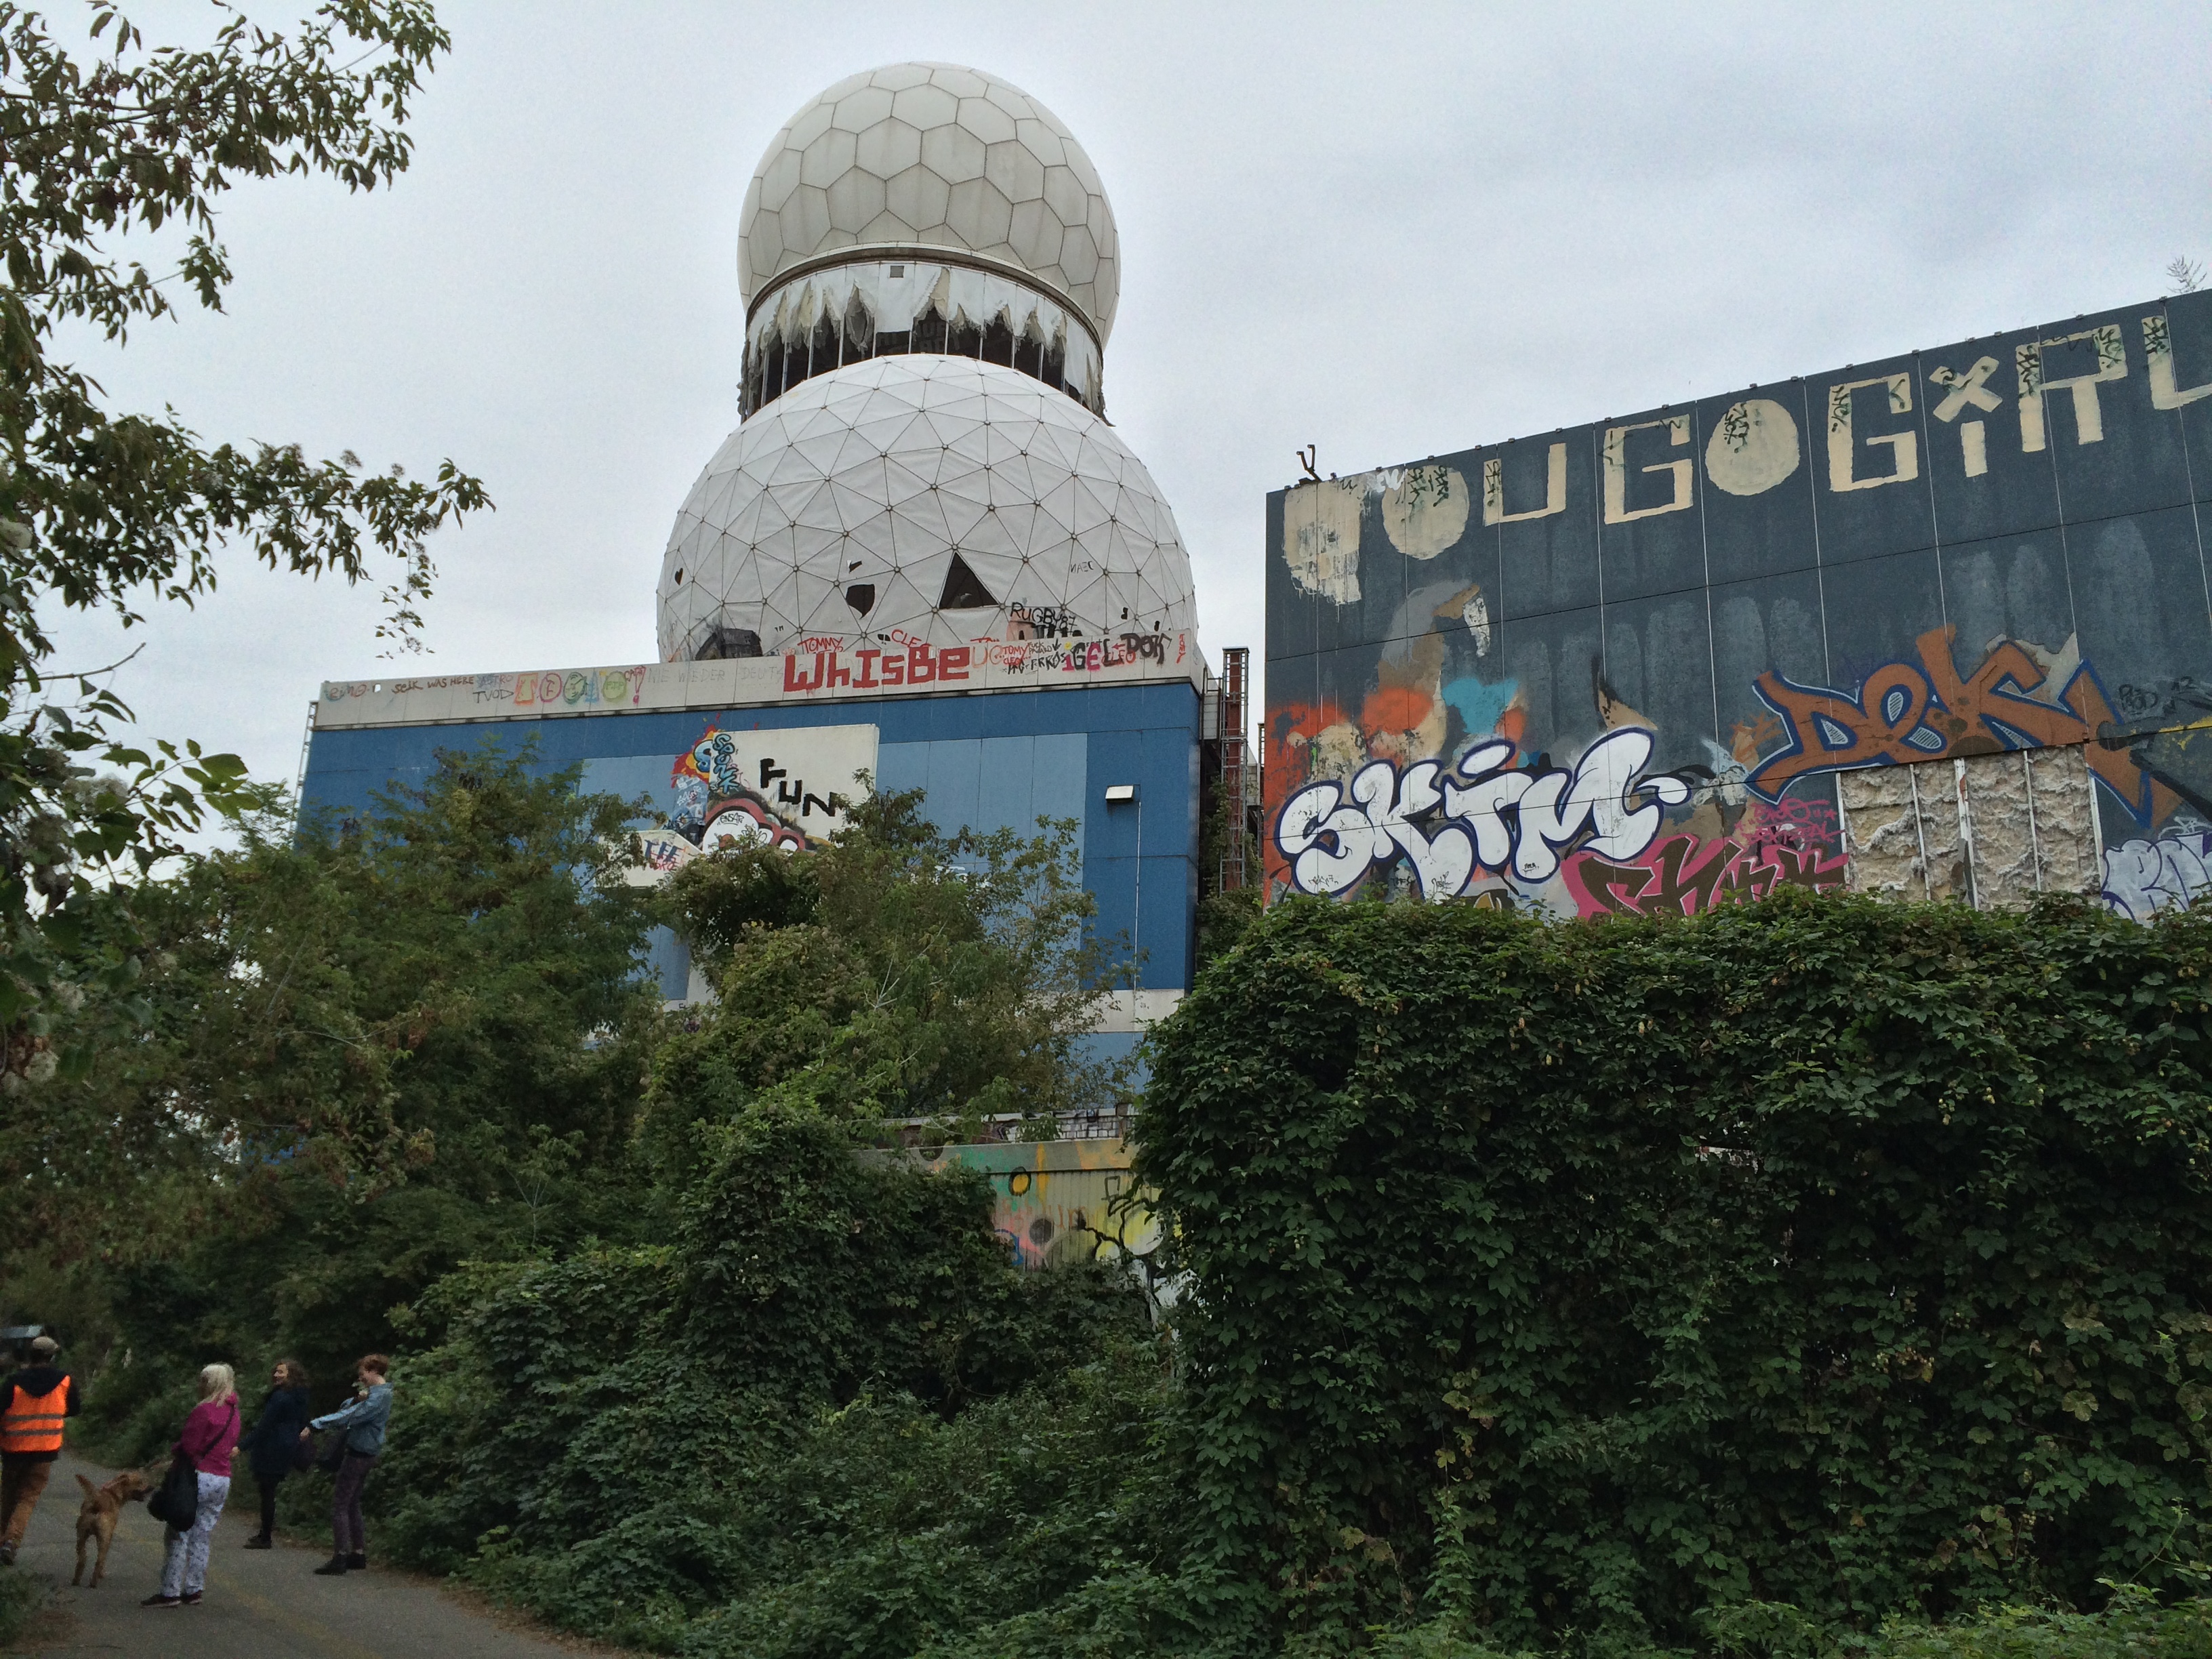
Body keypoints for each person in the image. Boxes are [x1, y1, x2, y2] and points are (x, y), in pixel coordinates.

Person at [144, 1363, 241, 1608]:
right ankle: (194, 1588)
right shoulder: (233, 1413)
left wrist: (174, 1451)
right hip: (222, 1478)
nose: (199, 1386)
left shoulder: (204, 1411)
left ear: (211, 1383)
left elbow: (189, 1445)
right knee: (202, 1534)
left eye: (203, 1381)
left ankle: (170, 1590)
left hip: (198, 1476)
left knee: (179, 1532)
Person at [302, 1354, 391, 1576]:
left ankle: (340, 1556)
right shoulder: (376, 1395)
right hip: (365, 1454)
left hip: (359, 1455)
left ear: (374, 1371)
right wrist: (356, 1399)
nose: (361, 1379)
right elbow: (348, 1408)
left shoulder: (379, 1398)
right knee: (352, 1503)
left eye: (363, 1374)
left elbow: (350, 1416)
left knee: (340, 1504)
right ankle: (358, 1553)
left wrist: (316, 1424)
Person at [0, 1334, 81, 1565]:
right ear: (52, 1356)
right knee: (28, 1497)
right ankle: (11, 1543)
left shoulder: (14, 1381)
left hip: (13, 1449)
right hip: (45, 1451)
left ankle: (2, 1541)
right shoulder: (64, 1380)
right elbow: (74, 1409)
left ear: (31, 1354)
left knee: (8, 1496)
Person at [234, 1359, 311, 1549]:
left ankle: (265, 1536)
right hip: (288, 1445)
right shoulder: (300, 1396)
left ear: (291, 1375)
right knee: (270, 1490)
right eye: (276, 1372)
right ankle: (265, 1532)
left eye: (281, 1372)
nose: (276, 1375)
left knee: (267, 1492)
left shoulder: (280, 1398)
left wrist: (241, 1447)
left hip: (272, 1447)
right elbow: (303, 1422)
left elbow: (264, 1426)